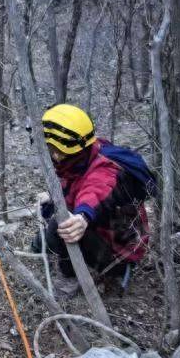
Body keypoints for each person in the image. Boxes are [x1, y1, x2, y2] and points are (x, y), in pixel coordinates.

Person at [32, 103, 155, 288]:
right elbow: (78, 186)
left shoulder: (106, 170)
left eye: (51, 150)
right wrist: (53, 196)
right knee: (54, 218)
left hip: (119, 256)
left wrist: (82, 217)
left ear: (59, 152)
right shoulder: (87, 153)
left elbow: (96, 191)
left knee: (62, 223)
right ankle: (39, 247)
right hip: (111, 238)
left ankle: (71, 276)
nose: (51, 155)